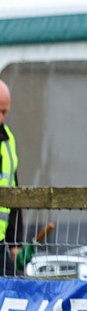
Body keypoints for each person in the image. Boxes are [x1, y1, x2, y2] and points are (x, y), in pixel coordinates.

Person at [0, 80, 21, 276]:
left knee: (15, 286)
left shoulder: (8, 140)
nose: (1, 118)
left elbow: (15, 193)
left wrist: (15, 242)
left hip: (0, 243)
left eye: (4, 112)